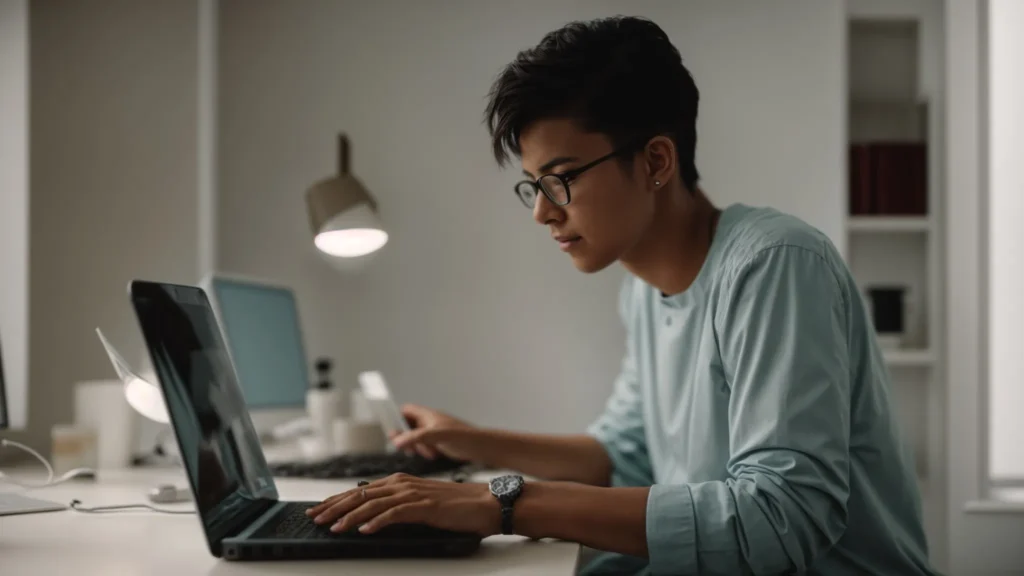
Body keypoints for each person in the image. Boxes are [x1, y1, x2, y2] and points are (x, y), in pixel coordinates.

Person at [306, 16, 937, 576]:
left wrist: (500, 501)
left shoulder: (774, 265)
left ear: (656, 161)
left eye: (560, 180)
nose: (543, 214)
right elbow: (622, 457)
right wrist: (472, 443)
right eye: (533, 186)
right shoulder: (642, 291)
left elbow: (780, 520)